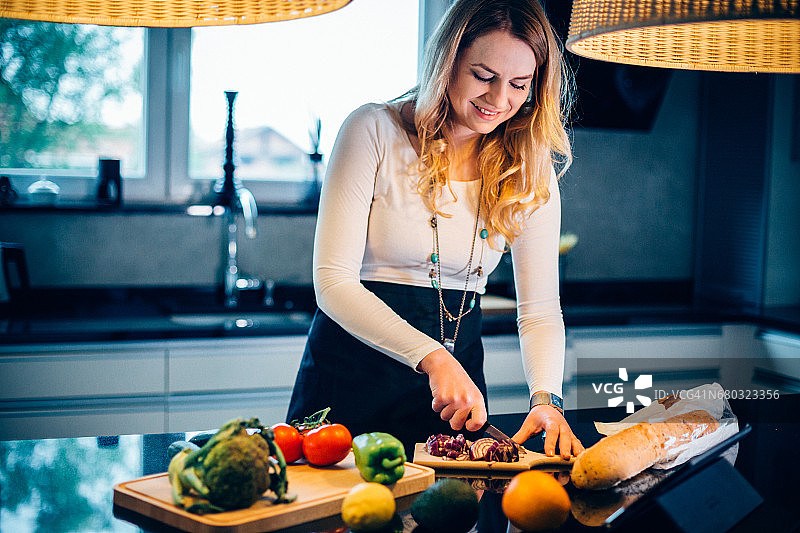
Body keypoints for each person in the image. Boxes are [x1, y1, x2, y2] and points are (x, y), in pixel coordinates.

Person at [287, 0, 583, 460]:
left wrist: (546, 399)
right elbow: (333, 283)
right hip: (349, 383)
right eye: (483, 76)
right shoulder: (373, 129)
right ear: (448, 61)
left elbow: (540, 310)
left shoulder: (529, 165)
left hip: (454, 399)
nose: (498, 99)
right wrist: (435, 358)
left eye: (519, 84)